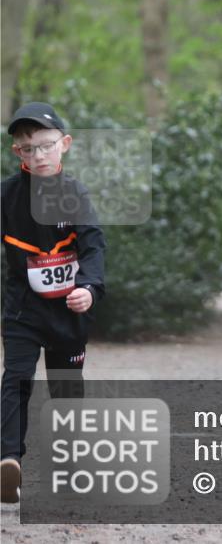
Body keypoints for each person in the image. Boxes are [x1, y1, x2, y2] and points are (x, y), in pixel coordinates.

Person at [1, 102, 107, 504]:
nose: (38, 155)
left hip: (68, 310)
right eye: (28, 149)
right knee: (16, 379)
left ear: (64, 144)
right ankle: (8, 462)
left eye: (45, 145)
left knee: (65, 388)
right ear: (18, 154)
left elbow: (94, 244)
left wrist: (91, 288)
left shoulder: (75, 193)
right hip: (24, 311)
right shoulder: (7, 196)